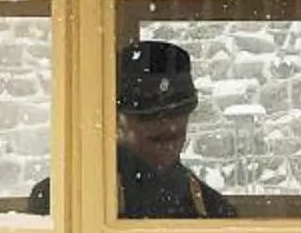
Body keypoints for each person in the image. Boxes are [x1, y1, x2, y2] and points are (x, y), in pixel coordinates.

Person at [25, 39, 234, 219]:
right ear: (117, 120)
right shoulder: (61, 200)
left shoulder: (212, 208)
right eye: (148, 116)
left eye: (178, 113)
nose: (167, 125)